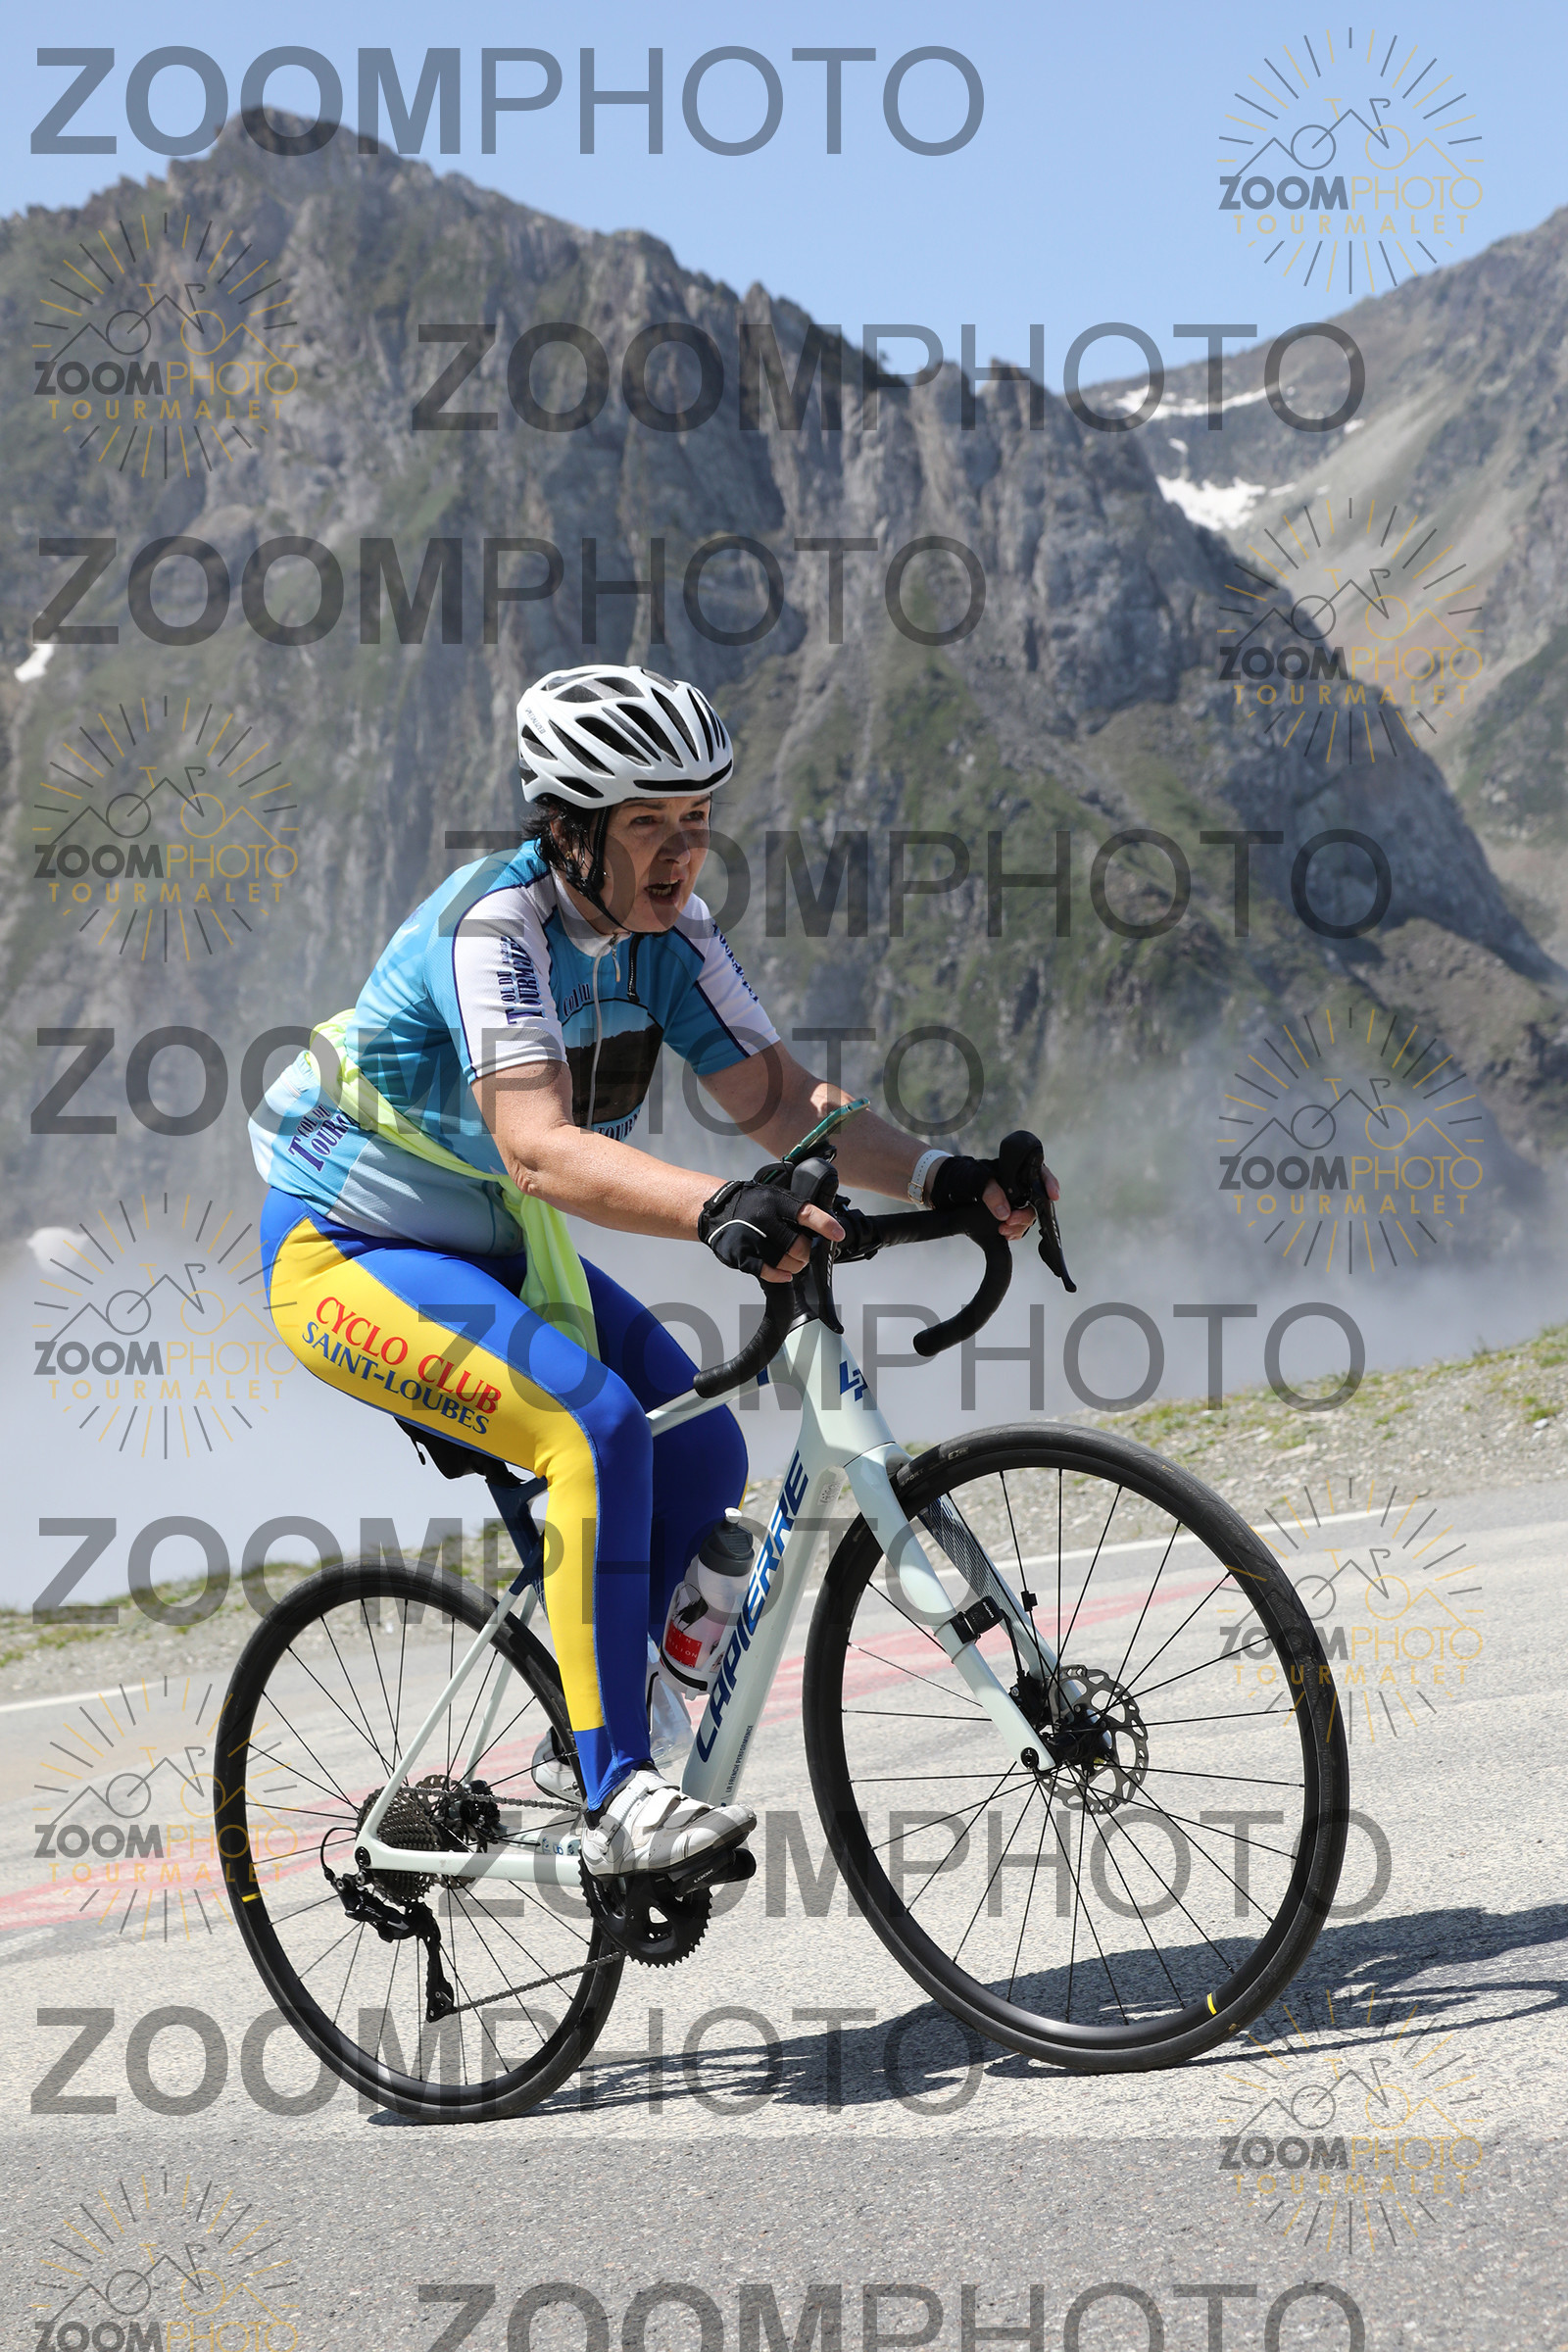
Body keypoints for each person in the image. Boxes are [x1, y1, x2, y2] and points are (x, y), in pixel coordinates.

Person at [250, 663, 1044, 1877]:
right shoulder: (495, 930)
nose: (680, 854)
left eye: (697, 820)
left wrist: (943, 1174)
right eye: (645, 826)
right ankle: (618, 1790)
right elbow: (537, 1148)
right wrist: (721, 1207)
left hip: (499, 1248)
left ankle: (594, 1718)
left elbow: (778, 1099)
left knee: (706, 1458)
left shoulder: (670, 936)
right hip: (346, 1250)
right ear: (569, 829)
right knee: (595, 1432)